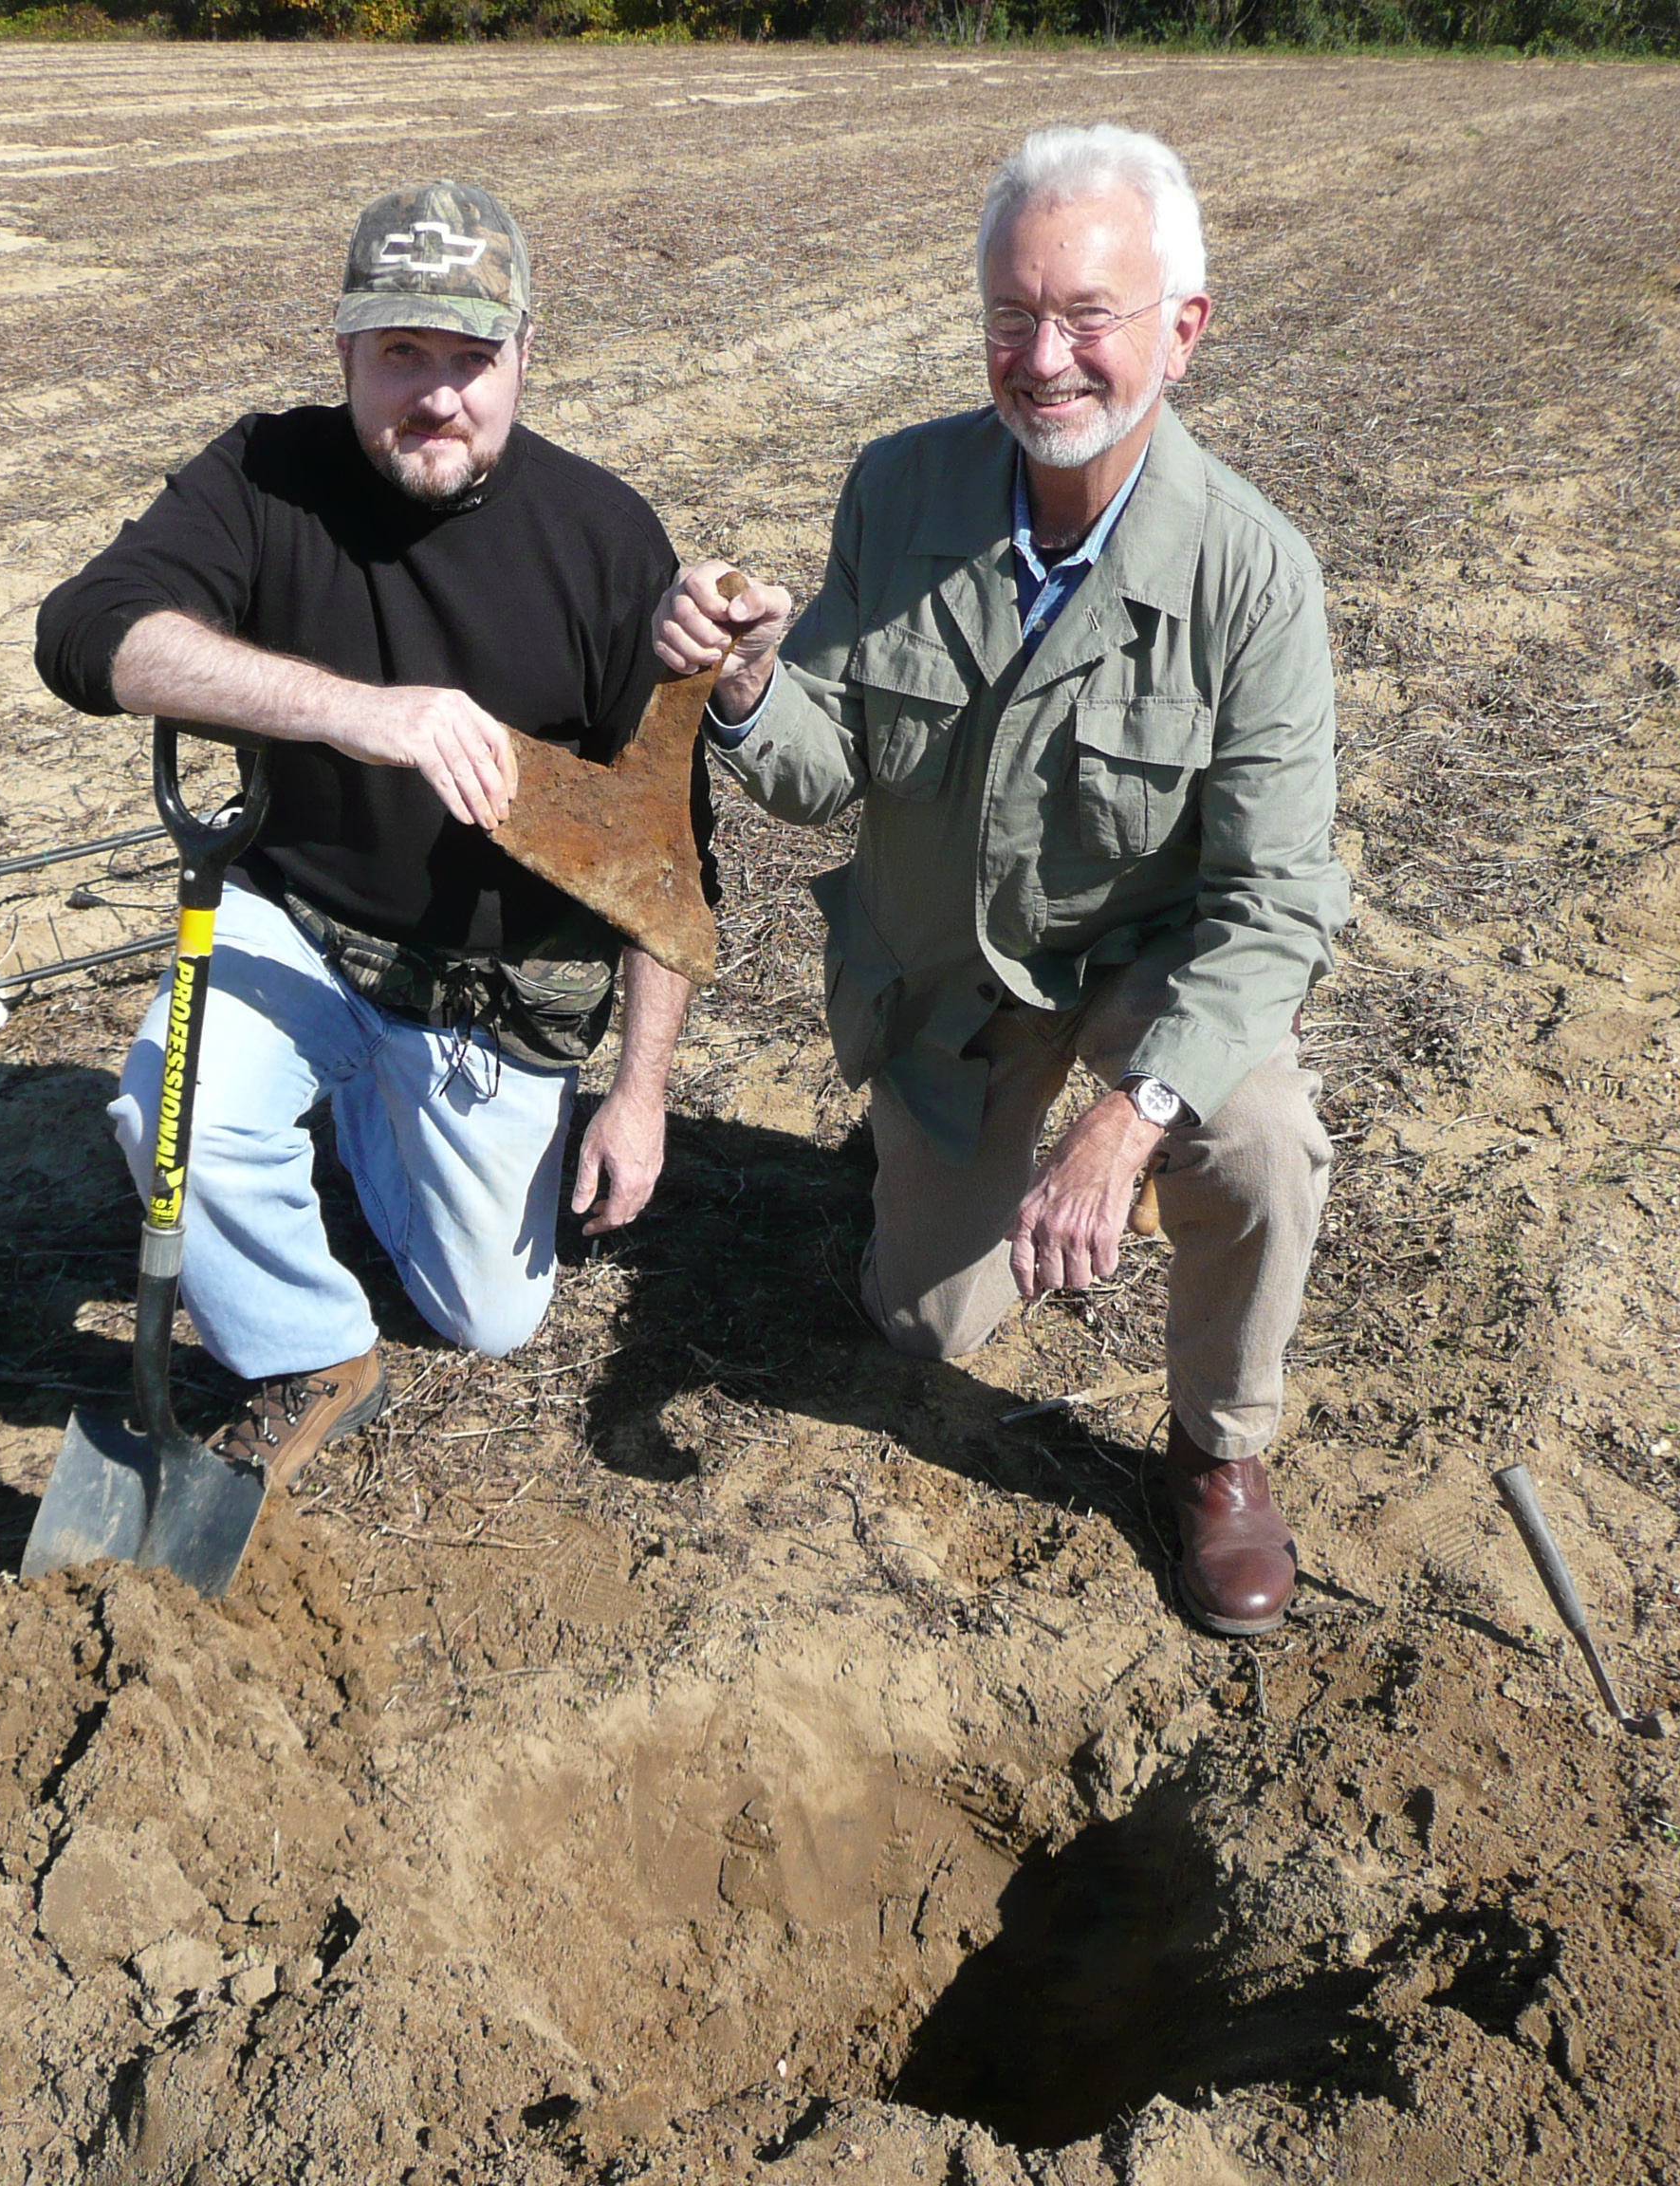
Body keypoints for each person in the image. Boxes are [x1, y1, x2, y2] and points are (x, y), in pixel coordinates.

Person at [655, 125, 1348, 1638]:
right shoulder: (898, 495)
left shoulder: (1253, 576)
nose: (1046, 359)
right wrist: (755, 685)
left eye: (1088, 315)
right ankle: (943, 1163)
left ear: (1183, 327)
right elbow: (824, 769)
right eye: (1012, 317)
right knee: (924, 1328)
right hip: (960, 978)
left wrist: (1130, 1118)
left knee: (1261, 1140)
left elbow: (1280, 904)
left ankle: (1217, 1456)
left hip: (1150, 970)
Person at [36, 179, 705, 1491]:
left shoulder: (604, 539)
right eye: (404, 353)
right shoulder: (267, 473)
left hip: (487, 996)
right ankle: (309, 1348)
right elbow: (86, 633)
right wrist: (351, 714)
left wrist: (639, 1091)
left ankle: (375, 1116)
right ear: (345, 348)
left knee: (490, 1321)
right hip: (294, 925)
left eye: (473, 357)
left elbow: (672, 857)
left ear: (526, 355)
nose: (438, 394)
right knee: (166, 1109)